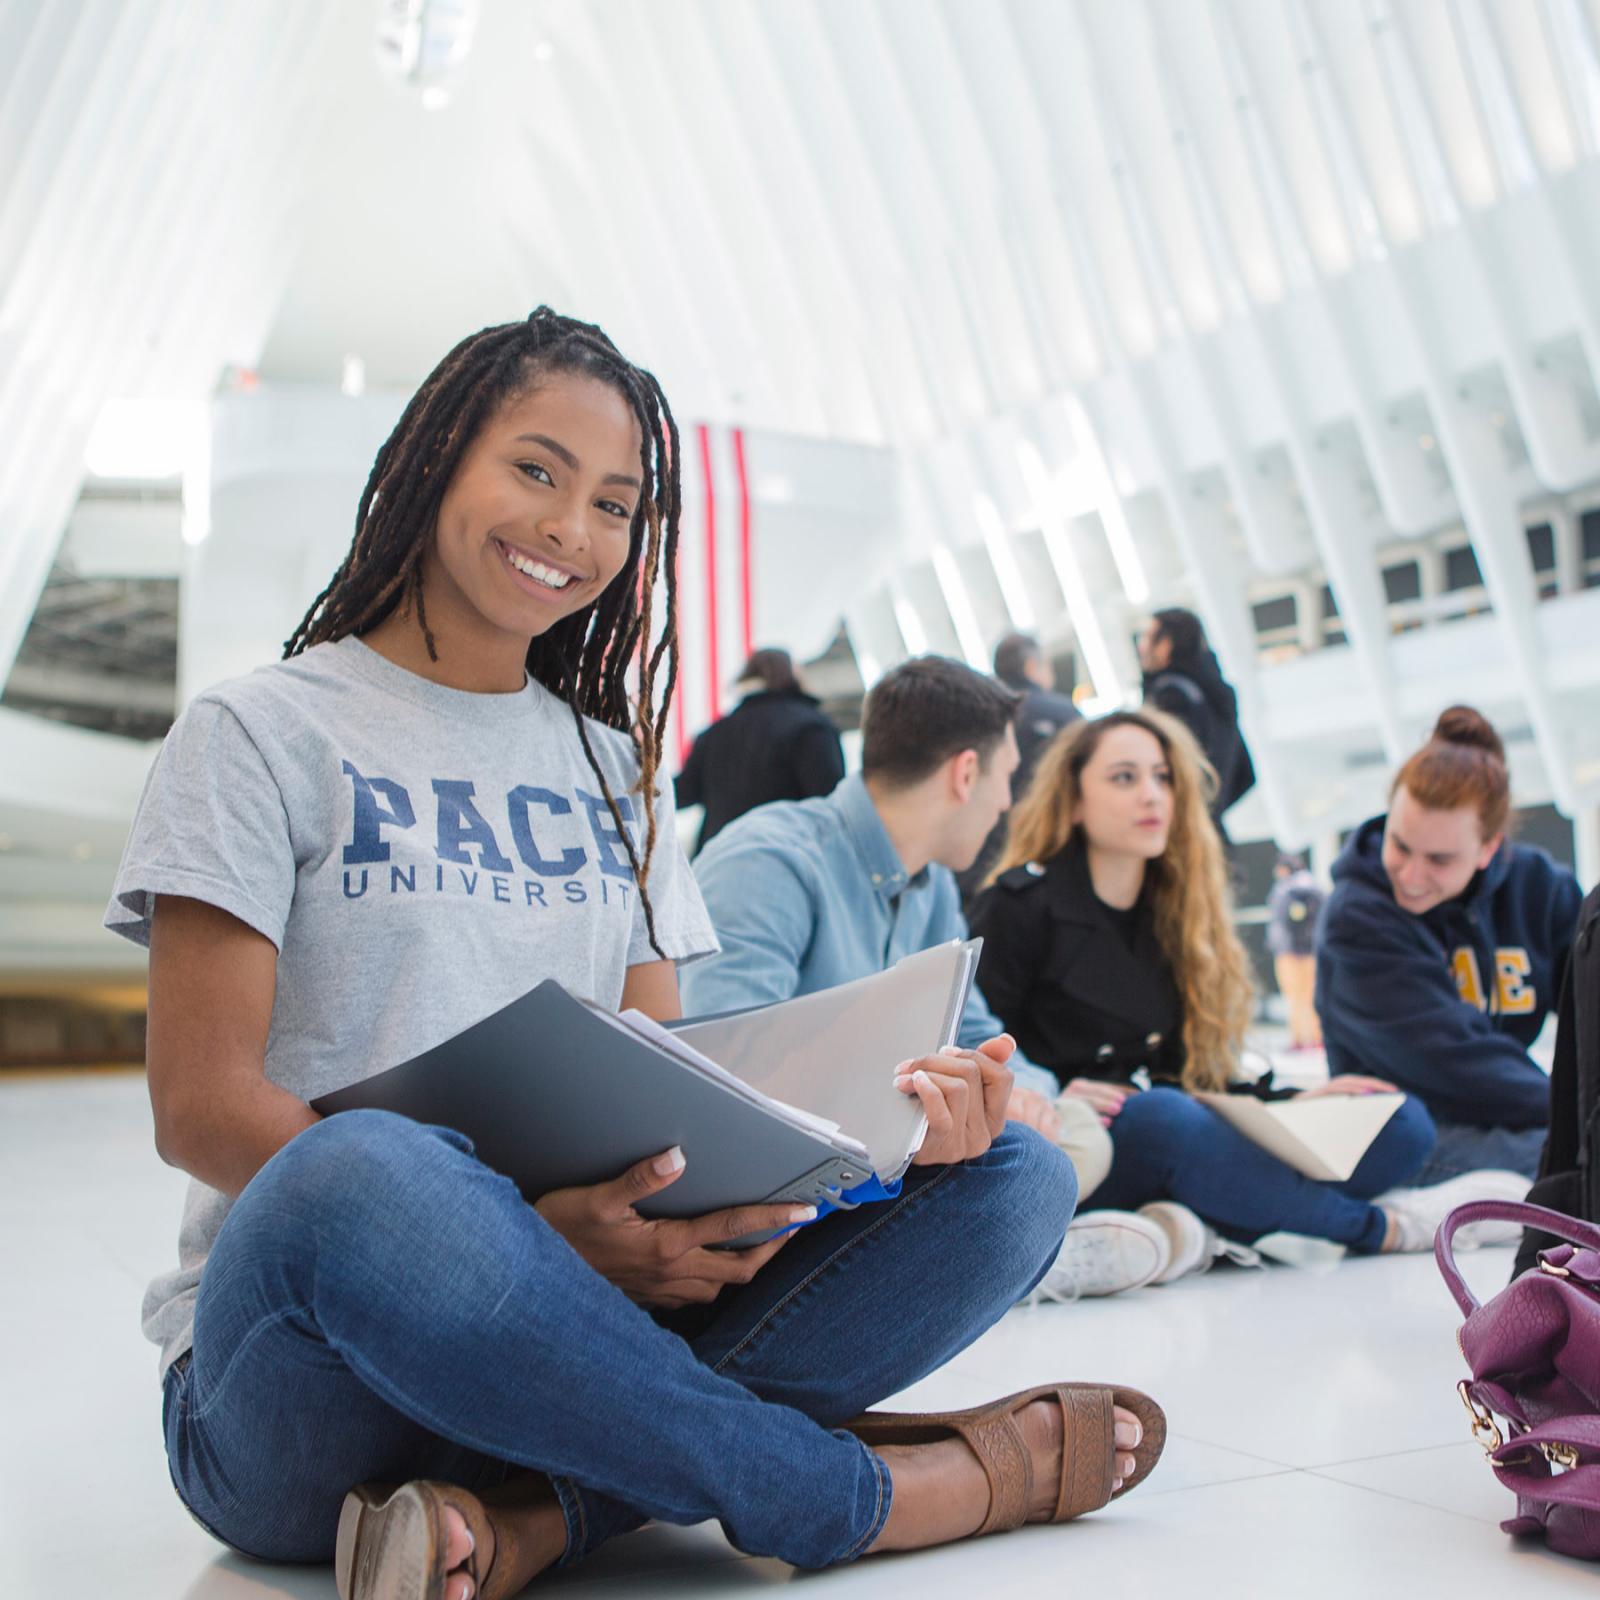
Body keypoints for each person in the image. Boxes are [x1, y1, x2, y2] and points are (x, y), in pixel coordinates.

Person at [105, 309, 1158, 1600]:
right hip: (308, 1378)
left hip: (587, 1339)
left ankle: (540, 1516)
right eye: (537, 471)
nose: (571, 530)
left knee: (1018, 1182)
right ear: (435, 457)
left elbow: (667, 1079)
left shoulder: (618, 777)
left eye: (615, 504)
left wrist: (886, 1141)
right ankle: (847, 1497)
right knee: (359, 1169)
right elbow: (201, 1108)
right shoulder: (258, 733)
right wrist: (526, 1238)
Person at [968, 709, 1524, 1293]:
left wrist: (1294, 1098)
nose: (1152, 794)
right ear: (1074, 801)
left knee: (1400, 1120)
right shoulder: (1018, 906)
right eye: (1125, 778)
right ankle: (1376, 1227)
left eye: (1163, 777)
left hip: (1190, 1127)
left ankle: (1199, 1225)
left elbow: (1200, 1073)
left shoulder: (1179, 912)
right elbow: (974, 1044)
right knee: (1165, 1119)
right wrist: (1045, 1093)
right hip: (1092, 1142)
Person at [685, 655, 1116, 1216]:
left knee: (1067, 1137)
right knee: (1029, 1168)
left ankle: (1028, 1244)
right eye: (1007, 776)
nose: (1009, 802)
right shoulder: (769, 861)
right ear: (965, 774)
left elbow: (976, 1029)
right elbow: (728, 1081)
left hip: (888, 1158)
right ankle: (1033, 1247)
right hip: (788, 1194)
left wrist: (1032, 1093)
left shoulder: (931, 885)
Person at [1317, 706, 1584, 1185]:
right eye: (1399, 845)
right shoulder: (1355, 918)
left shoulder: (1543, 889)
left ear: (1488, 849)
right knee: (1573, 1163)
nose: (1412, 875)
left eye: (1439, 859)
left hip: (1505, 1116)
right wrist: (1576, 1117)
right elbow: (1456, 1061)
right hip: (1399, 1132)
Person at [674, 647, 845, 854]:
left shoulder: (714, 733)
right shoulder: (812, 727)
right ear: (792, 677)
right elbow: (831, 805)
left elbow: (682, 794)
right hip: (786, 860)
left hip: (716, 862)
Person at [956, 631, 1080, 904]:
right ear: (1032, 667)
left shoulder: (972, 714)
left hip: (980, 852)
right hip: (1045, 847)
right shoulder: (1064, 714)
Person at [1137, 607, 1254, 842]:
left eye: (1147, 637)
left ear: (1166, 644)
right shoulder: (1215, 695)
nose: (1141, 646)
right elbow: (1246, 774)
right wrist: (1212, 808)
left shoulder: (1170, 697)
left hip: (1183, 838)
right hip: (1213, 835)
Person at [1267, 853, 1325, 1050]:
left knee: (1302, 997)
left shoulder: (1292, 890)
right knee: (1305, 997)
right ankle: (1307, 1038)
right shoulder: (1308, 887)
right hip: (1304, 950)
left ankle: (1306, 1038)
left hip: (1294, 951)